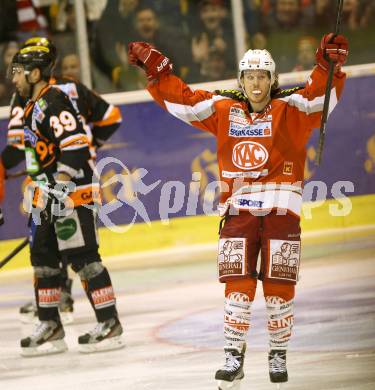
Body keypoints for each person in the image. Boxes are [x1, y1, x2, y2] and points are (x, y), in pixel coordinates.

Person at [128, 32, 348, 388]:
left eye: (262, 76)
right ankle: (233, 355)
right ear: (240, 80)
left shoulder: (293, 108)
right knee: (237, 288)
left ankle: (278, 354)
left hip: (281, 215)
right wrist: (157, 72)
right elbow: (183, 99)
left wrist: (328, 65)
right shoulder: (222, 109)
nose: (256, 83)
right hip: (238, 214)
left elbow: (322, 96)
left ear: (272, 80)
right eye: (249, 76)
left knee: (279, 289)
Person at [5, 43, 124, 356]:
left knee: (83, 258)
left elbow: (76, 146)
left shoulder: (54, 100)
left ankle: (109, 322)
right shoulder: (31, 106)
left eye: (18, 71)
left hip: (73, 193)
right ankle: (50, 324)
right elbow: (35, 156)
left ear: (34, 73)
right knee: (43, 259)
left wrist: (60, 186)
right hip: (47, 195)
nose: (13, 77)